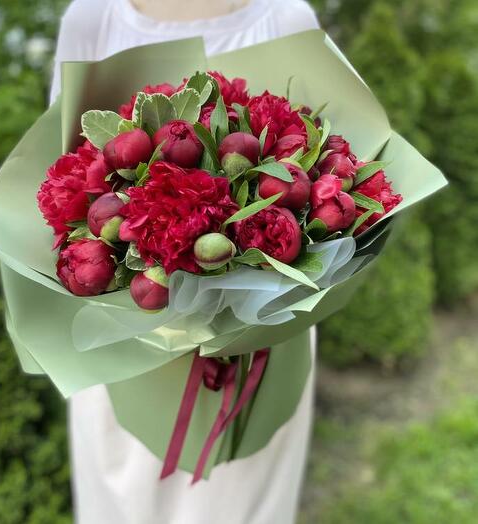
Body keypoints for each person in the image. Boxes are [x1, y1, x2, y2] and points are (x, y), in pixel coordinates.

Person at [50, 1, 320, 522]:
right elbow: (69, 176)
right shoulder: (91, 16)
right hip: (124, 340)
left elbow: (316, 156)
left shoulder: (287, 17)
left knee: (242, 502)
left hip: (255, 348)